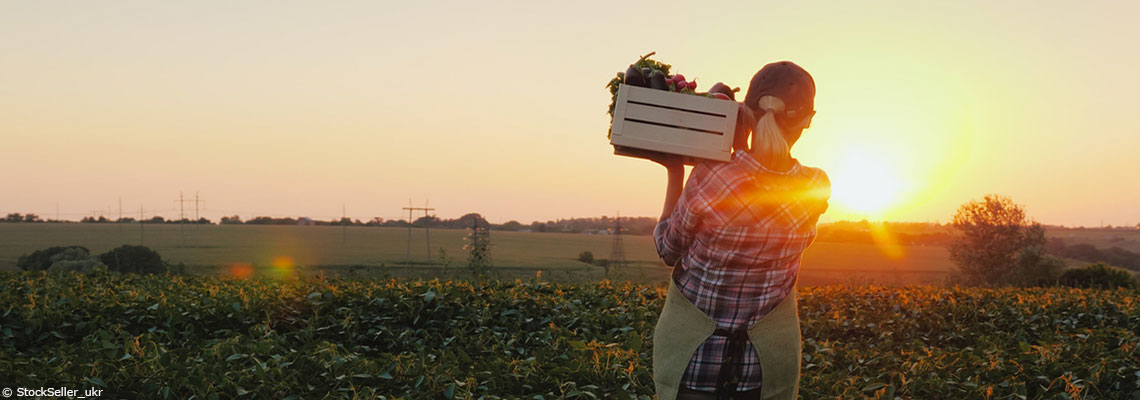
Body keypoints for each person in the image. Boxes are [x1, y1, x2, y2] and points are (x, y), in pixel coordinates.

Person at [647, 61, 830, 400]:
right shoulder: (815, 186)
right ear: (808, 119)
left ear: (746, 109)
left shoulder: (712, 176)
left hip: (694, 360)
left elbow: (667, 250)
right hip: (764, 369)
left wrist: (675, 171)